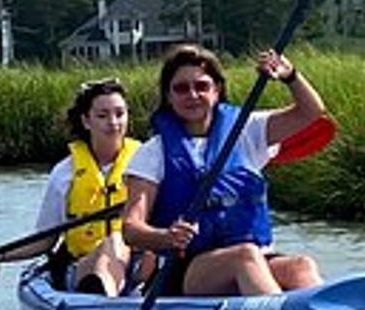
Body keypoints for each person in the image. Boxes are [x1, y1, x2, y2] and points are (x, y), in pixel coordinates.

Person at [120, 45, 327, 296]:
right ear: (169, 95)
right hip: (186, 270)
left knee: (301, 266)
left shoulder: (247, 130)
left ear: (217, 90)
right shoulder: (153, 153)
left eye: (202, 86)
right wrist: (166, 237)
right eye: (181, 88)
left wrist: (290, 76)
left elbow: (311, 112)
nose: (192, 95)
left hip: (257, 260)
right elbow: (131, 228)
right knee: (244, 256)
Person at [0, 77, 149, 295]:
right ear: (86, 121)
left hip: (139, 266)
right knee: (111, 244)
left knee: (124, 244)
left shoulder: (149, 164)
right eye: (102, 116)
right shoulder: (65, 173)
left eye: (120, 114)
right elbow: (44, 241)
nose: (113, 122)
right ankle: (101, 298)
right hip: (82, 265)